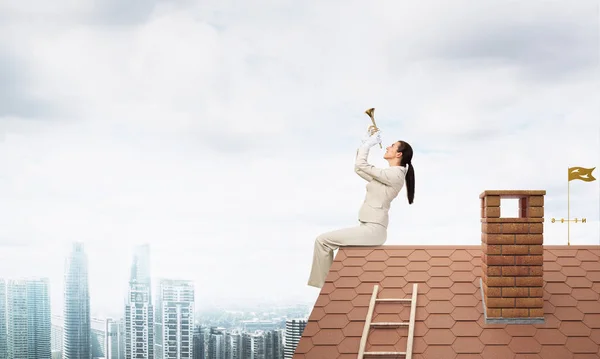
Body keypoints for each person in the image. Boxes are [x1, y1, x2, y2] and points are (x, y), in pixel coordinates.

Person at [307, 129, 415, 288]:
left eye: (392, 146)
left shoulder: (395, 174)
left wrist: (368, 145)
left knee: (322, 241)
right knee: (324, 241)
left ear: (399, 154)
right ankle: (327, 286)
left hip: (373, 230)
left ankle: (325, 288)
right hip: (368, 228)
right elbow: (359, 169)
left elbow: (361, 164)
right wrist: (363, 145)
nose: (387, 147)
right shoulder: (387, 175)